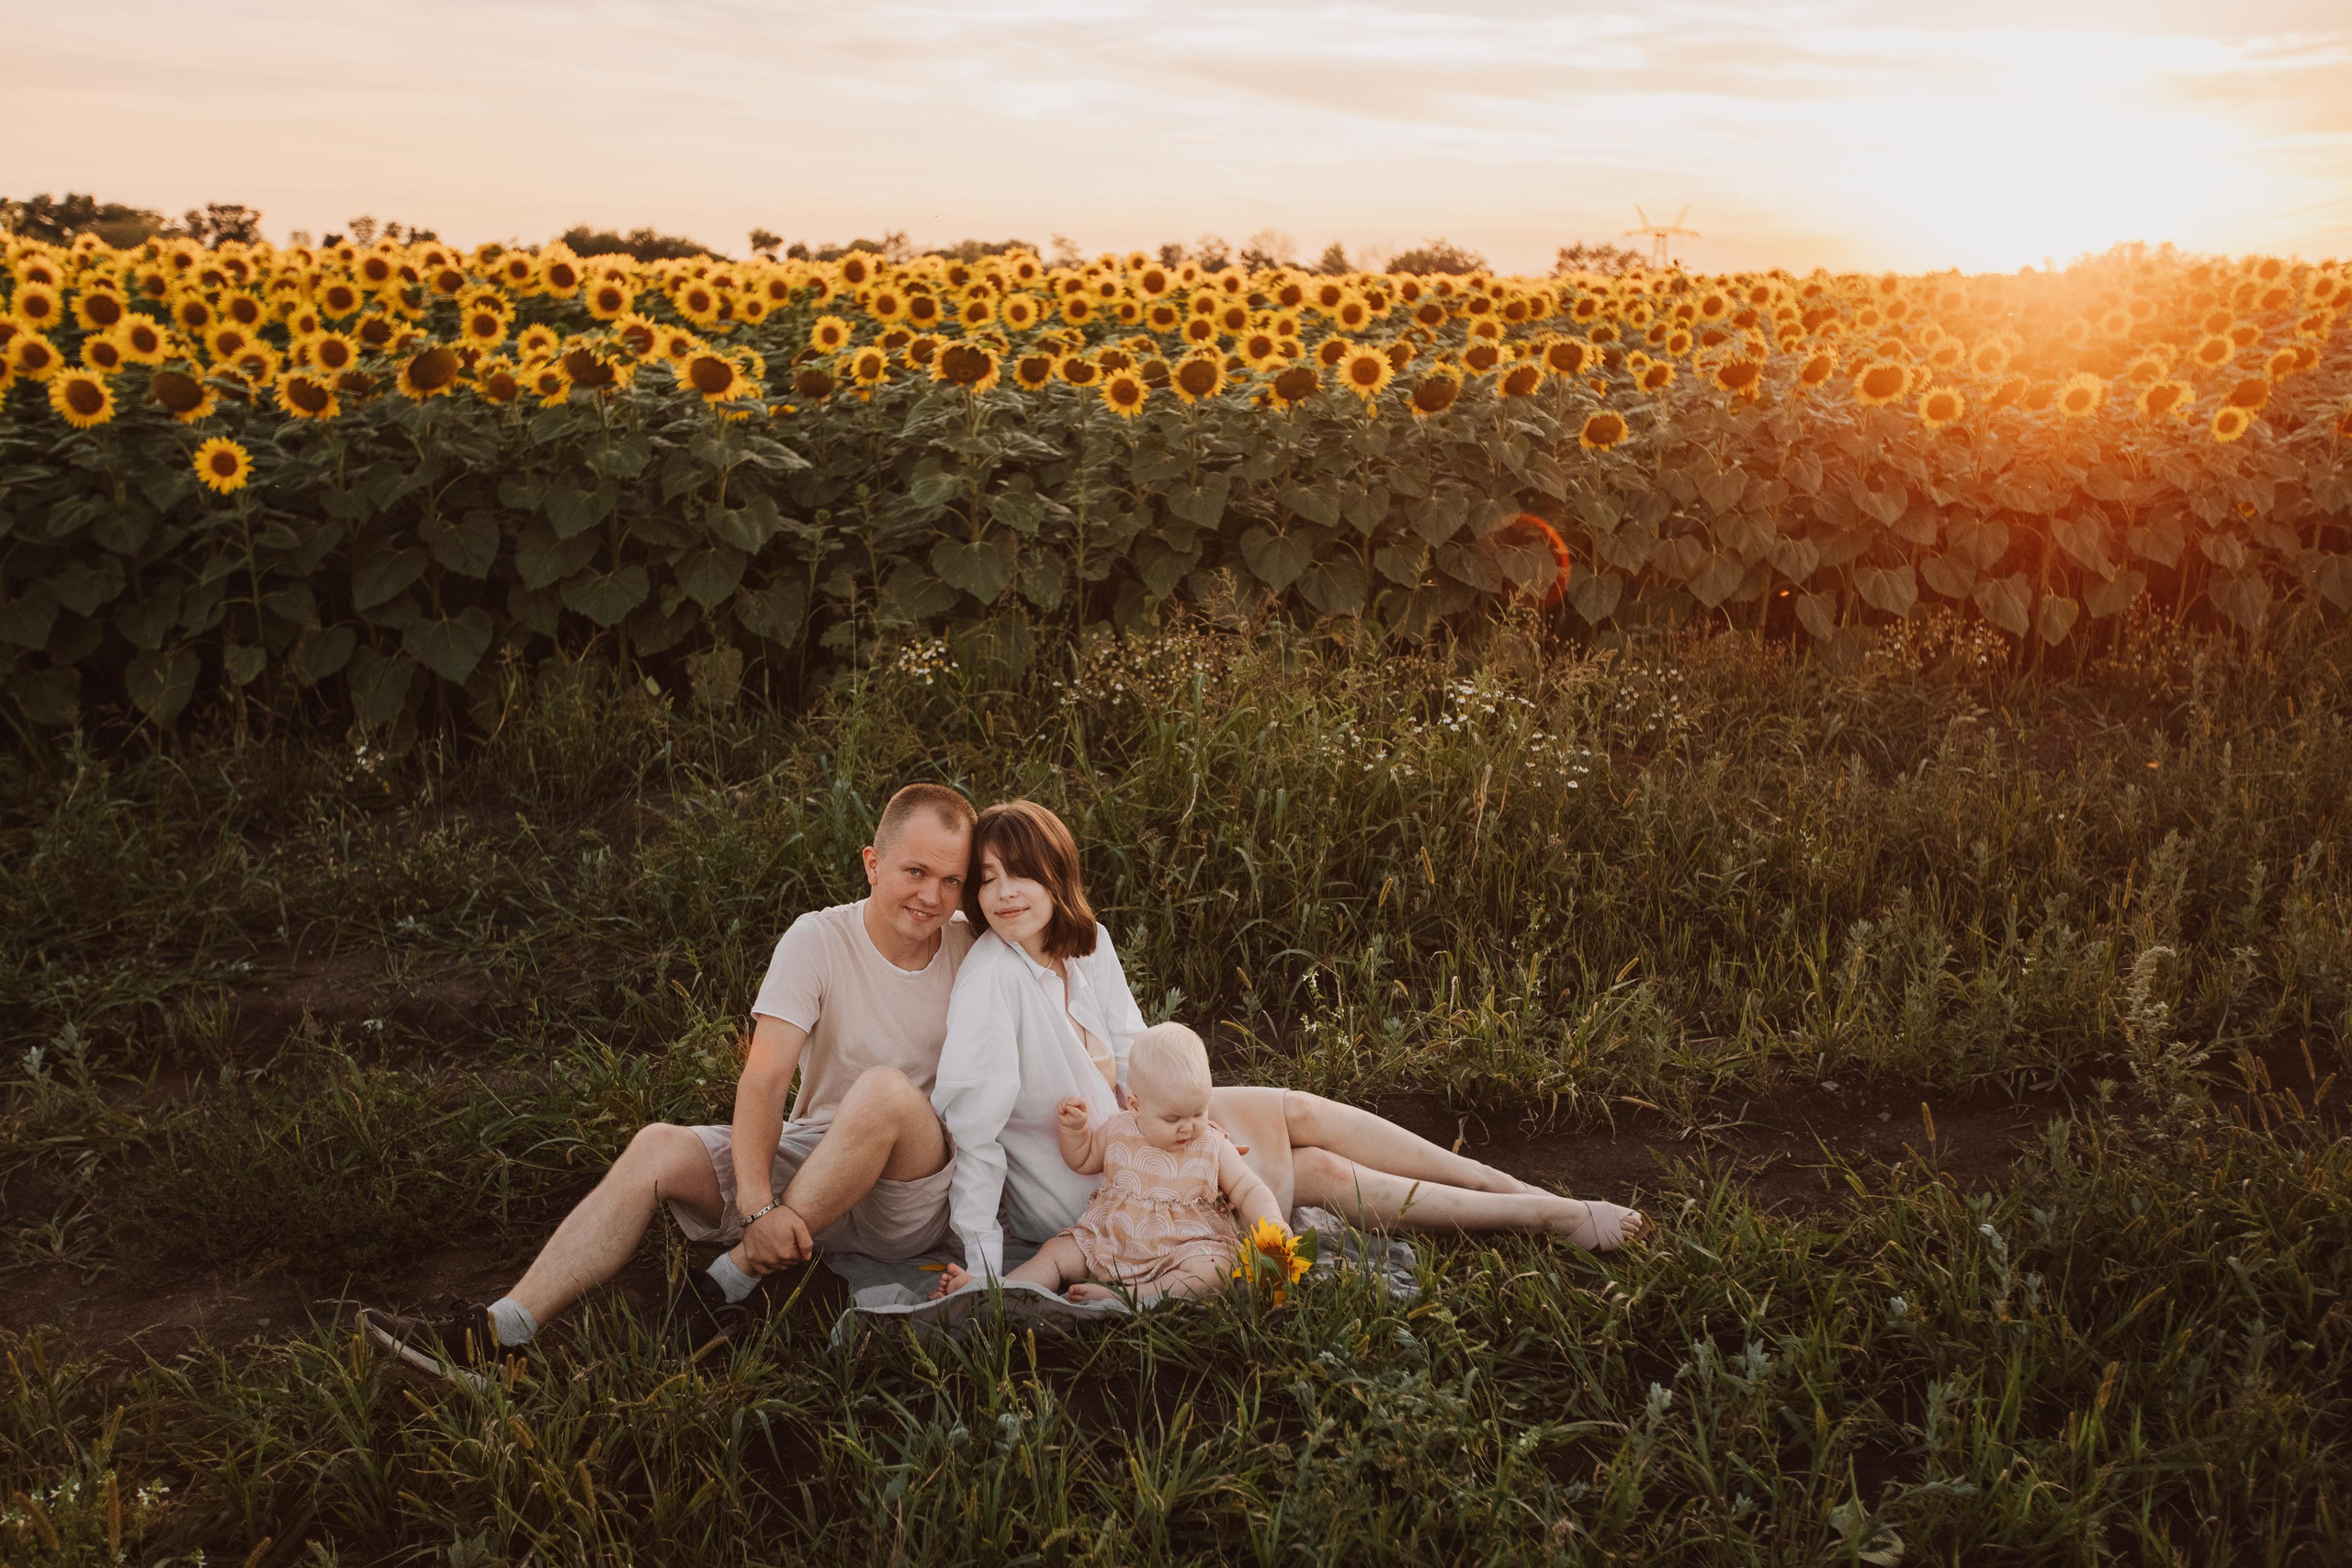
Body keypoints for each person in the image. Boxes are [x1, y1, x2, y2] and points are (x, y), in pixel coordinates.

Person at [361, 783, 979, 1385]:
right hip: (816, 1159)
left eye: (952, 880)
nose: (933, 895)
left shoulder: (969, 945)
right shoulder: (817, 939)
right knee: (657, 1143)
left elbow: (1061, 946)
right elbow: (764, 1080)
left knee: (886, 1091)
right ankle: (500, 1332)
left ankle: (725, 1282)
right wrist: (758, 1204)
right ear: (872, 863)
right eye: (916, 871)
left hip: (906, 1195)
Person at [930, 800, 1644, 1299]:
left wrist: (1198, 1132)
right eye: (984, 878)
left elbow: (1140, 1053)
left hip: (1151, 1128)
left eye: (1016, 871)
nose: (1001, 893)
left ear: (1056, 873)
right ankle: (1543, 1214)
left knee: (1298, 1114)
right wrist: (987, 1264)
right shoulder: (993, 977)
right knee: (1323, 1172)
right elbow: (975, 1130)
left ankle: (1515, 1188)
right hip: (1098, 1182)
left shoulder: (1087, 947)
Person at [935, 1022, 1281, 1304]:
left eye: (1198, 1112)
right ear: (1135, 1104)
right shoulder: (1118, 1130)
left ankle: (1132, 1296)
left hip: (1185, 1247)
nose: (1188, 1126)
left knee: (1212, 1270)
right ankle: (998, 1293)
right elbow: (1083, 1160)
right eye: (1173, 1117)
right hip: (1111, 1238)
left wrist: (1274, 1223)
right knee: (1055, 1253)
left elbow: (1248, 1188)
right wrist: (1075, 1131)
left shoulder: (1211, 1145)